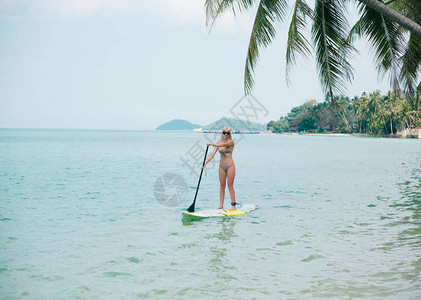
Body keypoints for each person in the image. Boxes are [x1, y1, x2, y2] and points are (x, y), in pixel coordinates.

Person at [202, 127, 237, 210]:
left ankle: (233, 206)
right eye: (224, 132)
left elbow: (222, 145)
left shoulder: (231, 142)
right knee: (222, 186)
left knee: (230, 186)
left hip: (230, 166)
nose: (226, 134)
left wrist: (211, 144)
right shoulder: (219, 142)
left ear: (229, 134)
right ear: (222, 133)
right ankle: (221, 205)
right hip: (221, 167)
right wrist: (205, 163)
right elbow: (212, 154)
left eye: (228, 133)